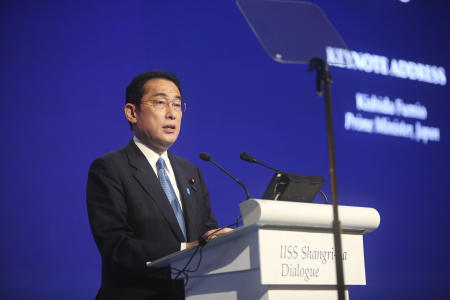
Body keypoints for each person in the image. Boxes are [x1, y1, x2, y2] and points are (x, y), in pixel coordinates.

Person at [86, 70, 230, 300]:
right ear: (132, 112)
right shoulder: (110, 168)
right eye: (160, 103)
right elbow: (117, 247)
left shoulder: (191, 172)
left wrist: (221, 240)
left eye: (177, 104)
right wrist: (186, 250)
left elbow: (205, 233)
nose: (172, 114)